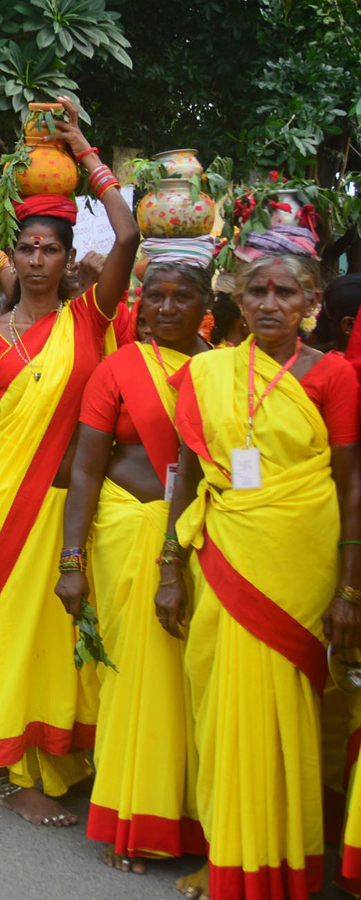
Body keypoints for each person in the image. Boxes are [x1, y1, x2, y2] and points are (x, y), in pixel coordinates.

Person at [0, 96, 139, 826]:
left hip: (71, 510)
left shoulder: (90, 318)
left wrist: (87, 150)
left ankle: (58, 756)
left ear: (66, 256)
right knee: (6, 636)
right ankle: (7, 771)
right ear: (14, 253)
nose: (35, 260)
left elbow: (128, 236)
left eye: (49, 249)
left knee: (63, 640)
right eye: (24, 247)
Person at [159, 229, 361, 900]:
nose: (271, 302)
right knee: (219, 706)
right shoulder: (208, 372)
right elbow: (185, 473)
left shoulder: (332, 375)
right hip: (221, 551)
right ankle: (230, 860)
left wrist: (349, 589)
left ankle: (284, 862)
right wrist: (168, 563)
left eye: (286, 292)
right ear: (239, 302)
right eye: (258, 291)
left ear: (310, 302)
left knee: (286, 713)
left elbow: (350, 483)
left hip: (297, 562)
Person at [54, 240, 215, 873]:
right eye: (156, 295)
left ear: (208, 305)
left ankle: (197, 821)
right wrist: (72, 562)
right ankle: (131, 817)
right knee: (135, 679)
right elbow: (86, 471)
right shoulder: (117, 369)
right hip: (125, 534)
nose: (168, 306)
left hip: (203, 540)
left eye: (183, 296)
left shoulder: (227, 371)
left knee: (196, 682)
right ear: (140, 304)